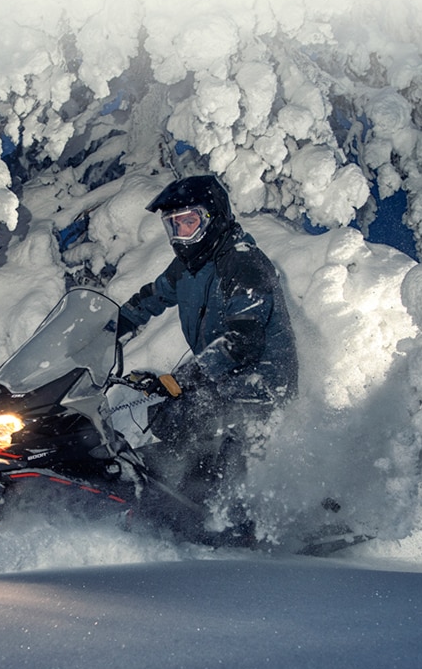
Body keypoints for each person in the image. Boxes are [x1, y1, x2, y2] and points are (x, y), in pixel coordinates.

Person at [115, 175, 298, 543]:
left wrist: (182, 378)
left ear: (213, 217)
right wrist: (107, 327)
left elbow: (242, 341)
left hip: (259, 387)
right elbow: (151, 297)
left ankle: (239, 530)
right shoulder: (190, 264)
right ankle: (172, 509)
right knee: (171, 421)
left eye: (189, 222)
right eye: (174, 224)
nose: (180, 234)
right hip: (221, 378)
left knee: (213, 439)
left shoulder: (243, 264)